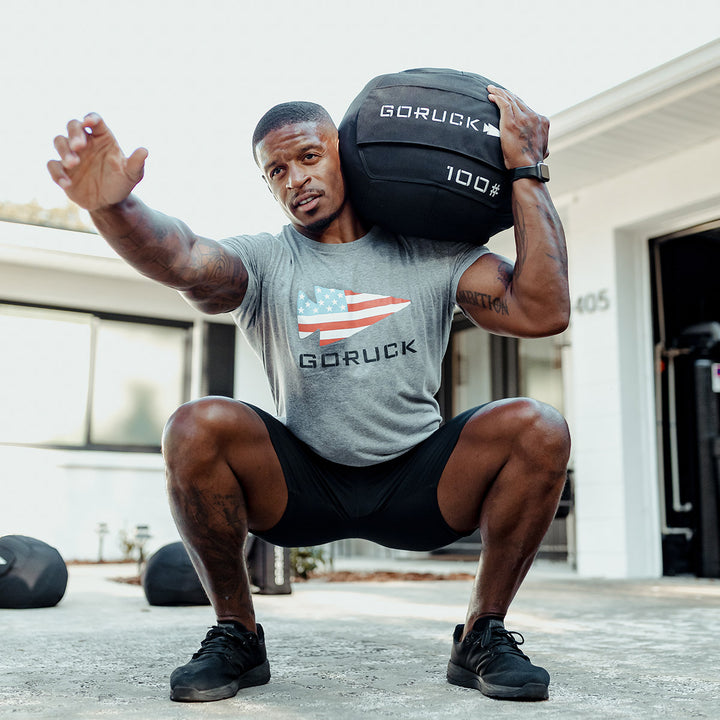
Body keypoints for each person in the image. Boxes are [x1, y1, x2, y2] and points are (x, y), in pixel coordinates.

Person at [47, 83, 571, 704]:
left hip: (418, 487)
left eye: (307, 157)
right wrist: (113, 208)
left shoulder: (432, 252)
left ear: (345, 153)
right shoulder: (266, 262)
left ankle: (482, 633)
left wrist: (526, 172)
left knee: (538, 424)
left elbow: (543, 311)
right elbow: (183, 257)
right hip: (305, 488)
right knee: (195, 424)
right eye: (276, 170)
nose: (293, 178)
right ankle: (236, 633)